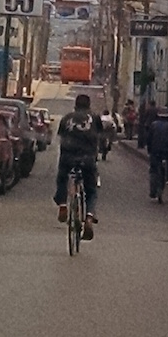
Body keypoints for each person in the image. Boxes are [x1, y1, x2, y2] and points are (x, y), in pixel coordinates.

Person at [54, 93, 103, 240]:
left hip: (68, 157)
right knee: (91, 189)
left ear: (75, 105)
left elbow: (61, 136)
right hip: (88, 158)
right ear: (89, 105)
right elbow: (99, 135)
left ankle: (63, 204)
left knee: (62, 178)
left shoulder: (66, 118)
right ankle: (88, 217)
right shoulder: (94, 118)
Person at [147, 106, 168, 199]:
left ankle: (153, 191)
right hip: (167, 151)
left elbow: (149, 139)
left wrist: (149, 150)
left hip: (155, 151)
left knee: (153, 169)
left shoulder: (153, 125)